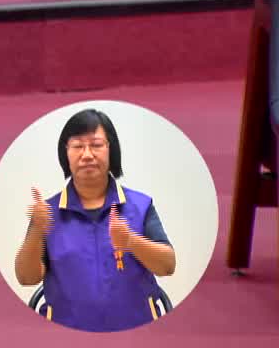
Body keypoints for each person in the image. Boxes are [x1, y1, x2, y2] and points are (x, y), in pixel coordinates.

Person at [14, 109, 176, 332]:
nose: (87, 154)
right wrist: (36, 232)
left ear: (111, 150)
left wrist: (130, 241)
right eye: (78, 146)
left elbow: (167, 266)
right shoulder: (47, 212)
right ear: (65, 153)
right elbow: (26, 277)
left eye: (96, 145)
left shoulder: (140, 205)